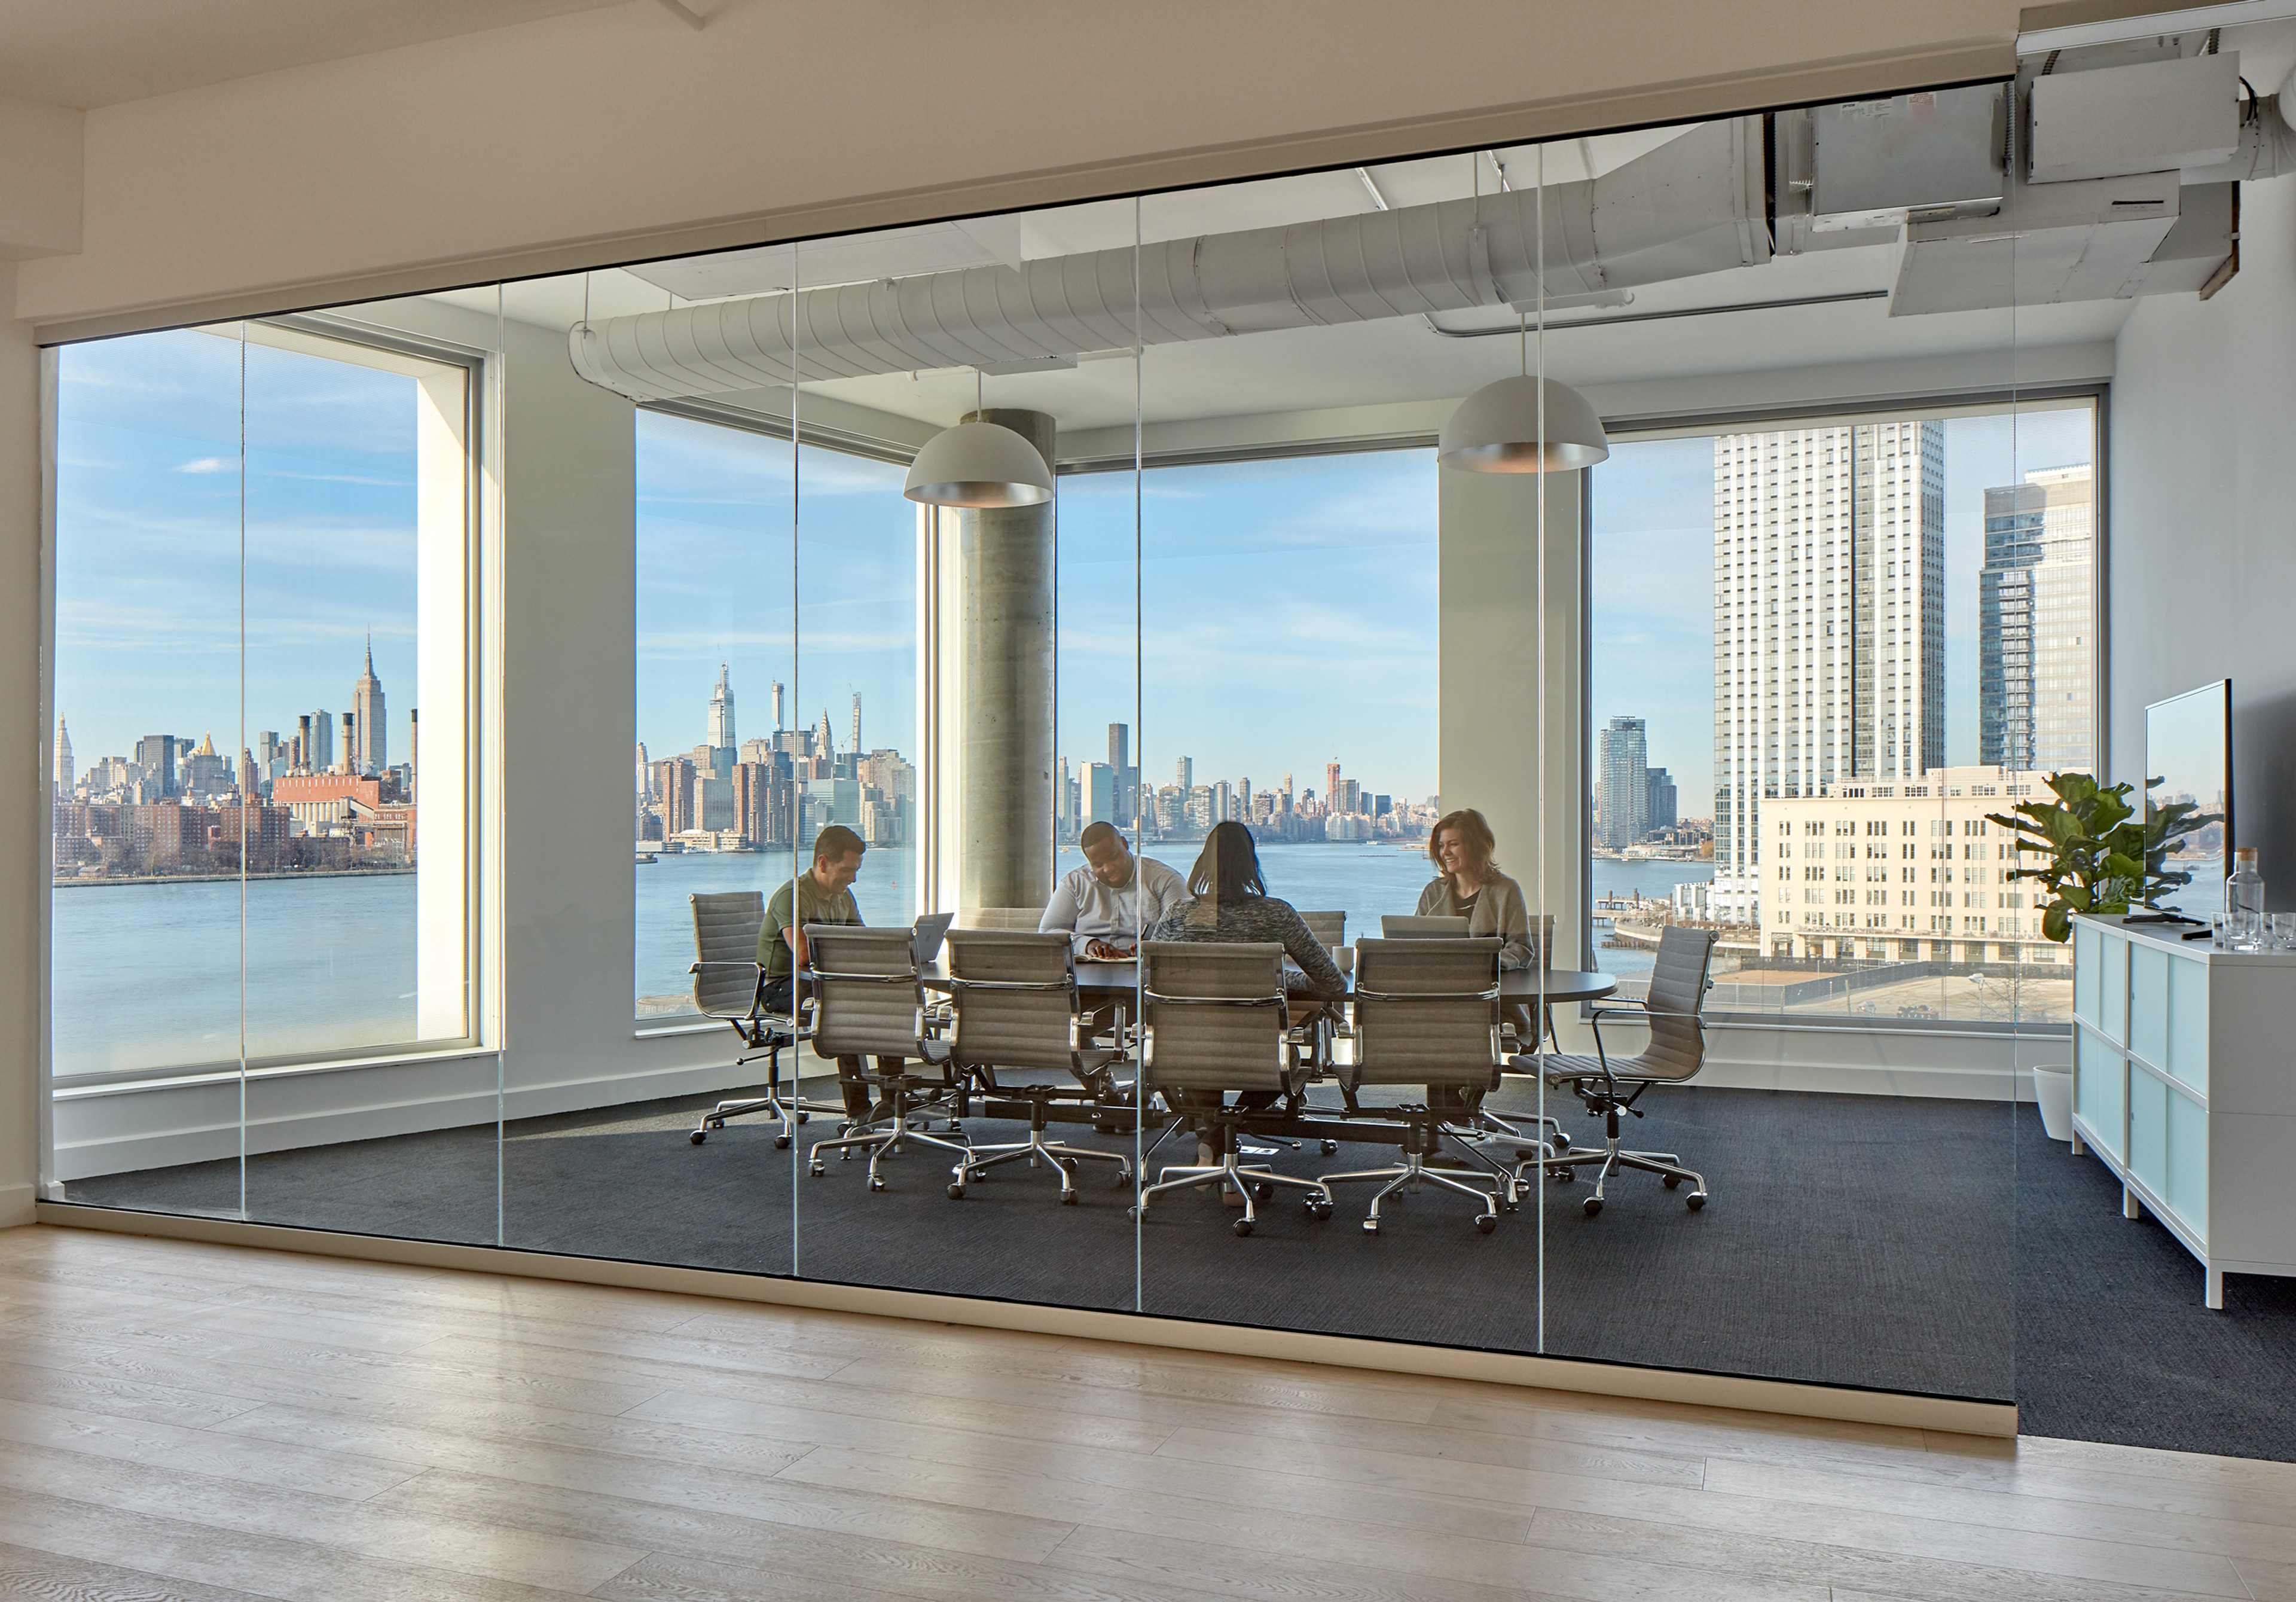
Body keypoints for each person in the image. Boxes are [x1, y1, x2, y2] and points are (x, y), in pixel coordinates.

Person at [1145, 822, 1347, 1190]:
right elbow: (1333, 983)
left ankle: (1212, 1141)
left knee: (1200, 1052)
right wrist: (1281, 982)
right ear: (1252, 864)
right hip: (1259, 1056)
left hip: (1187, 1052)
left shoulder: (1177, 915)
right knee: (1293, 1061)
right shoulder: (1277, 914)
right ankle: (1222, 1140)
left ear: (1202, 862)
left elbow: (1151, 985)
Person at [758, 825, 889, 1122]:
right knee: (843, 1006)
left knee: (888, 995)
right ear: (823, 863)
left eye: (856, 870)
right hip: (782, 987)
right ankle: (859, 1111)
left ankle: (893, 1101)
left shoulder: (844, 896)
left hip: (821, 982)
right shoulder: (793, 895)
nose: (853, 878)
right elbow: (804, 957)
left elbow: (864, 942)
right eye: (847, 869)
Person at [1040, 820, 1187, 959]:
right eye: (1098, 864)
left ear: (1124, 844)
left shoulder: (1166, 880)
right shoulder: (1074, 884)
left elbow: (1184, 933)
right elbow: (1048, 932)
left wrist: (1153, 948)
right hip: (1087, 973)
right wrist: (1087, 944)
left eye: (1113, 857)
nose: (1108, 868)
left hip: (1147, 971)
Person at [1416, 807, 1535, 971]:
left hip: (1490, 987)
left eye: (1453, 844)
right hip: (1438, 984)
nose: (1445, 852)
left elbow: (1521, 948)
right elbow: (1413, 944)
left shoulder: (1506, 890)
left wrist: (1485, 965)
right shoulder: (1432, 893)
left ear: (1476, 846)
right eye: (1441, 846)